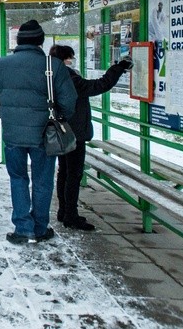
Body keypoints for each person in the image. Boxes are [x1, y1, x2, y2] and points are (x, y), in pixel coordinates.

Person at [0, 20, 76, 244]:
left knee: (17, 178)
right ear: (40, 42)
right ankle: (40, 228)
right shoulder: (53, 65)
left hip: (13, 135)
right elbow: (69, 100)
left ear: (19, 41)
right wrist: (57, 118)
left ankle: (23, 228)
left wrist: (7, 116)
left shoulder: (0, 65)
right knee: (43, 180)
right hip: (45, 135)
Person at [48, 45, 132, 231]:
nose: (72, 61)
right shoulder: (68, 77)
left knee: (64, 171)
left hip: (61, 130)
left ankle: (64, 210)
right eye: (70, 58)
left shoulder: (51, 74)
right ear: (65, 60)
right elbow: (98, 86)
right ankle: (71, 215)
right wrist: (118, 68)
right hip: (74, 132)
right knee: (73, 174)